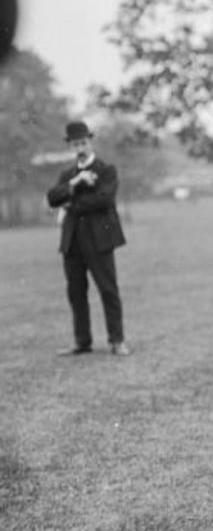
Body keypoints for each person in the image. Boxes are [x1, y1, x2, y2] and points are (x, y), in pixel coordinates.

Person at [47, 121, 130, 356]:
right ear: (71, 146)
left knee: (108, 290)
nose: (80, 147)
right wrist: (75, 183)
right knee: (76, 292)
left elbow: (104, 200)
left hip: (99, 240)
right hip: (72, 241)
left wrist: (71, 203)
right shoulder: (67, 174)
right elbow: (52, 198)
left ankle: (117, 340)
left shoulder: (106, 170)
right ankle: (82, 342)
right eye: (75, 144)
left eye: (83, 142)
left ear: (90, 142)